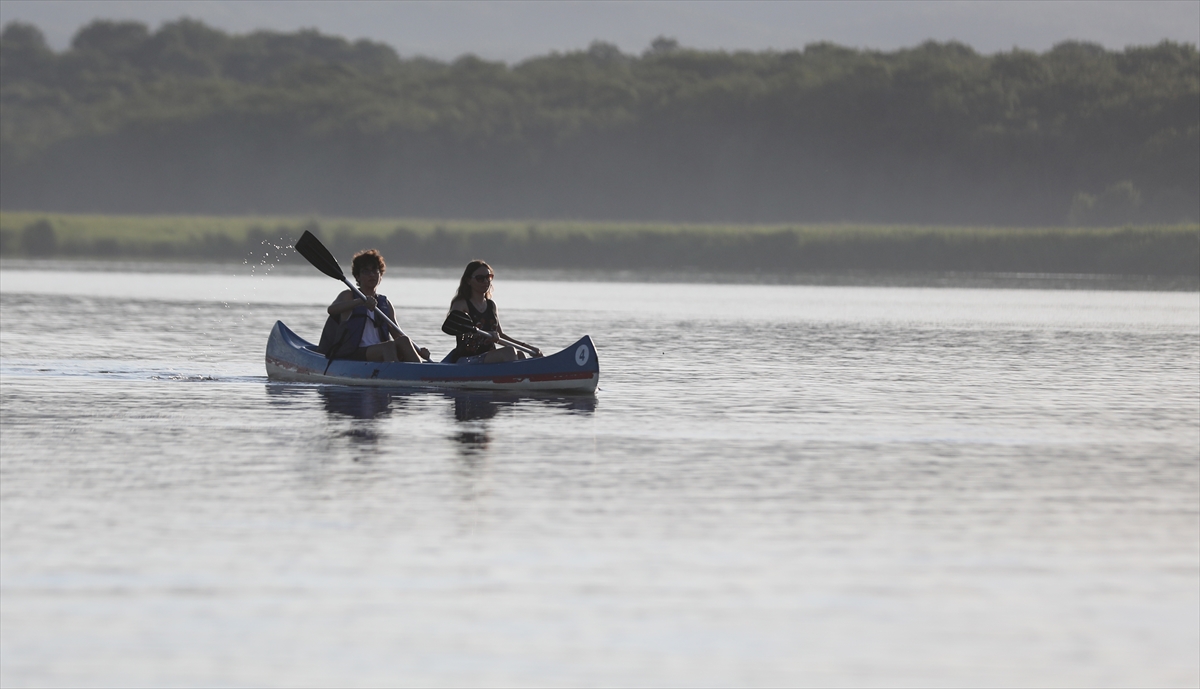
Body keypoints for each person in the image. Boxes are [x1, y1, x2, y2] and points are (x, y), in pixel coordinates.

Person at [318, 249, 429, 362]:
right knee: (388, 346)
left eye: (375, 270)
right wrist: (360, 302)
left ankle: (421, 373)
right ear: (358, 277)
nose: (371, 275)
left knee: (404, 341)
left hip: (380, 351)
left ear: (380, 275)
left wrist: (418, 351)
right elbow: (332, 310)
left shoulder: (385, 303)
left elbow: (397, 333)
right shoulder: (349, 295)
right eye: (366, 271)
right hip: (353, 352)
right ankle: (395, 375)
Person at [445, 260, 542, 363]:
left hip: (488, 357)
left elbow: (500, 336)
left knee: (520, 354)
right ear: (468, 281)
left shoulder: (491, 305)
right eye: (480, 278)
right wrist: (486, 334)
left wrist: (529, 348)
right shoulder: (461, 304)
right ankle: (515, 378)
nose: (486, 281)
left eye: (488, 277)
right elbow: (458, 330)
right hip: (467, 359)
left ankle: (525, 378)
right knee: (509, 352)